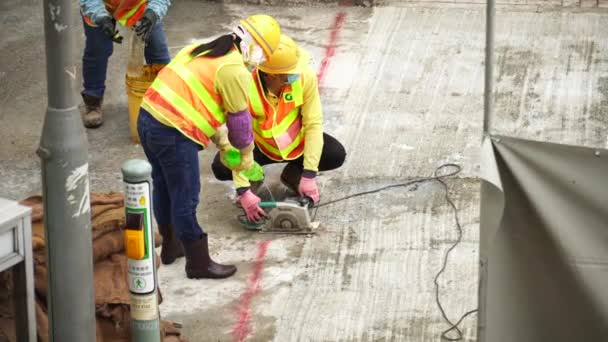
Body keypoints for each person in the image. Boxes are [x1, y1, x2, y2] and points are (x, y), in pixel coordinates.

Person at [137, 14, 281, 279]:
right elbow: (240, 125)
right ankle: (198, 263)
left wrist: (223, 146)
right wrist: (246, 159)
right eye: (264, 55)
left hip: (148, 118)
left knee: (164, 186)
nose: (260, 62)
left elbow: (199, 103)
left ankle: (171, 247)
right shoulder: (234, 69)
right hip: (173, 132)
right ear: (255, 47)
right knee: (186, 196)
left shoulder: (201, 49)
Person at [211, 34, 346, 210]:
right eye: (288, 74)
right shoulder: (244, 86)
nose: (295, 75)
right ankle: (254, 177)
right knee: (222, 166)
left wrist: (309, 174)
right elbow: (236, 137)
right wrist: (243, 188)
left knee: (334, 154)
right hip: (258, 147)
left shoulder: (305, 77)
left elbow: (313, 124)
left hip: (296, 143)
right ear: (270, 75)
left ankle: (293, 175)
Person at [79, 0, 173, 128]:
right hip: (98, 5)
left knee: (157, 49)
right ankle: (93, 101)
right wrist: (102, 19)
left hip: (138, 5)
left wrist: (152, 14)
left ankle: (167, 97)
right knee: (98, 50)